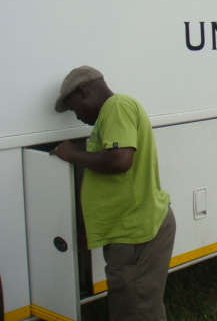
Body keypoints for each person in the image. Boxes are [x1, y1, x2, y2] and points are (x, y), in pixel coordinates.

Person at [50, 66, 175, 320]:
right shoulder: (110, 113)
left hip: (137, 234)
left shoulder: (117, 106)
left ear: (83, 92)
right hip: (130, 231)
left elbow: (120, 160)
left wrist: (73, 155)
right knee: (140, 307)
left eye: (74, 108)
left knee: (135, 311)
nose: (77, 116)